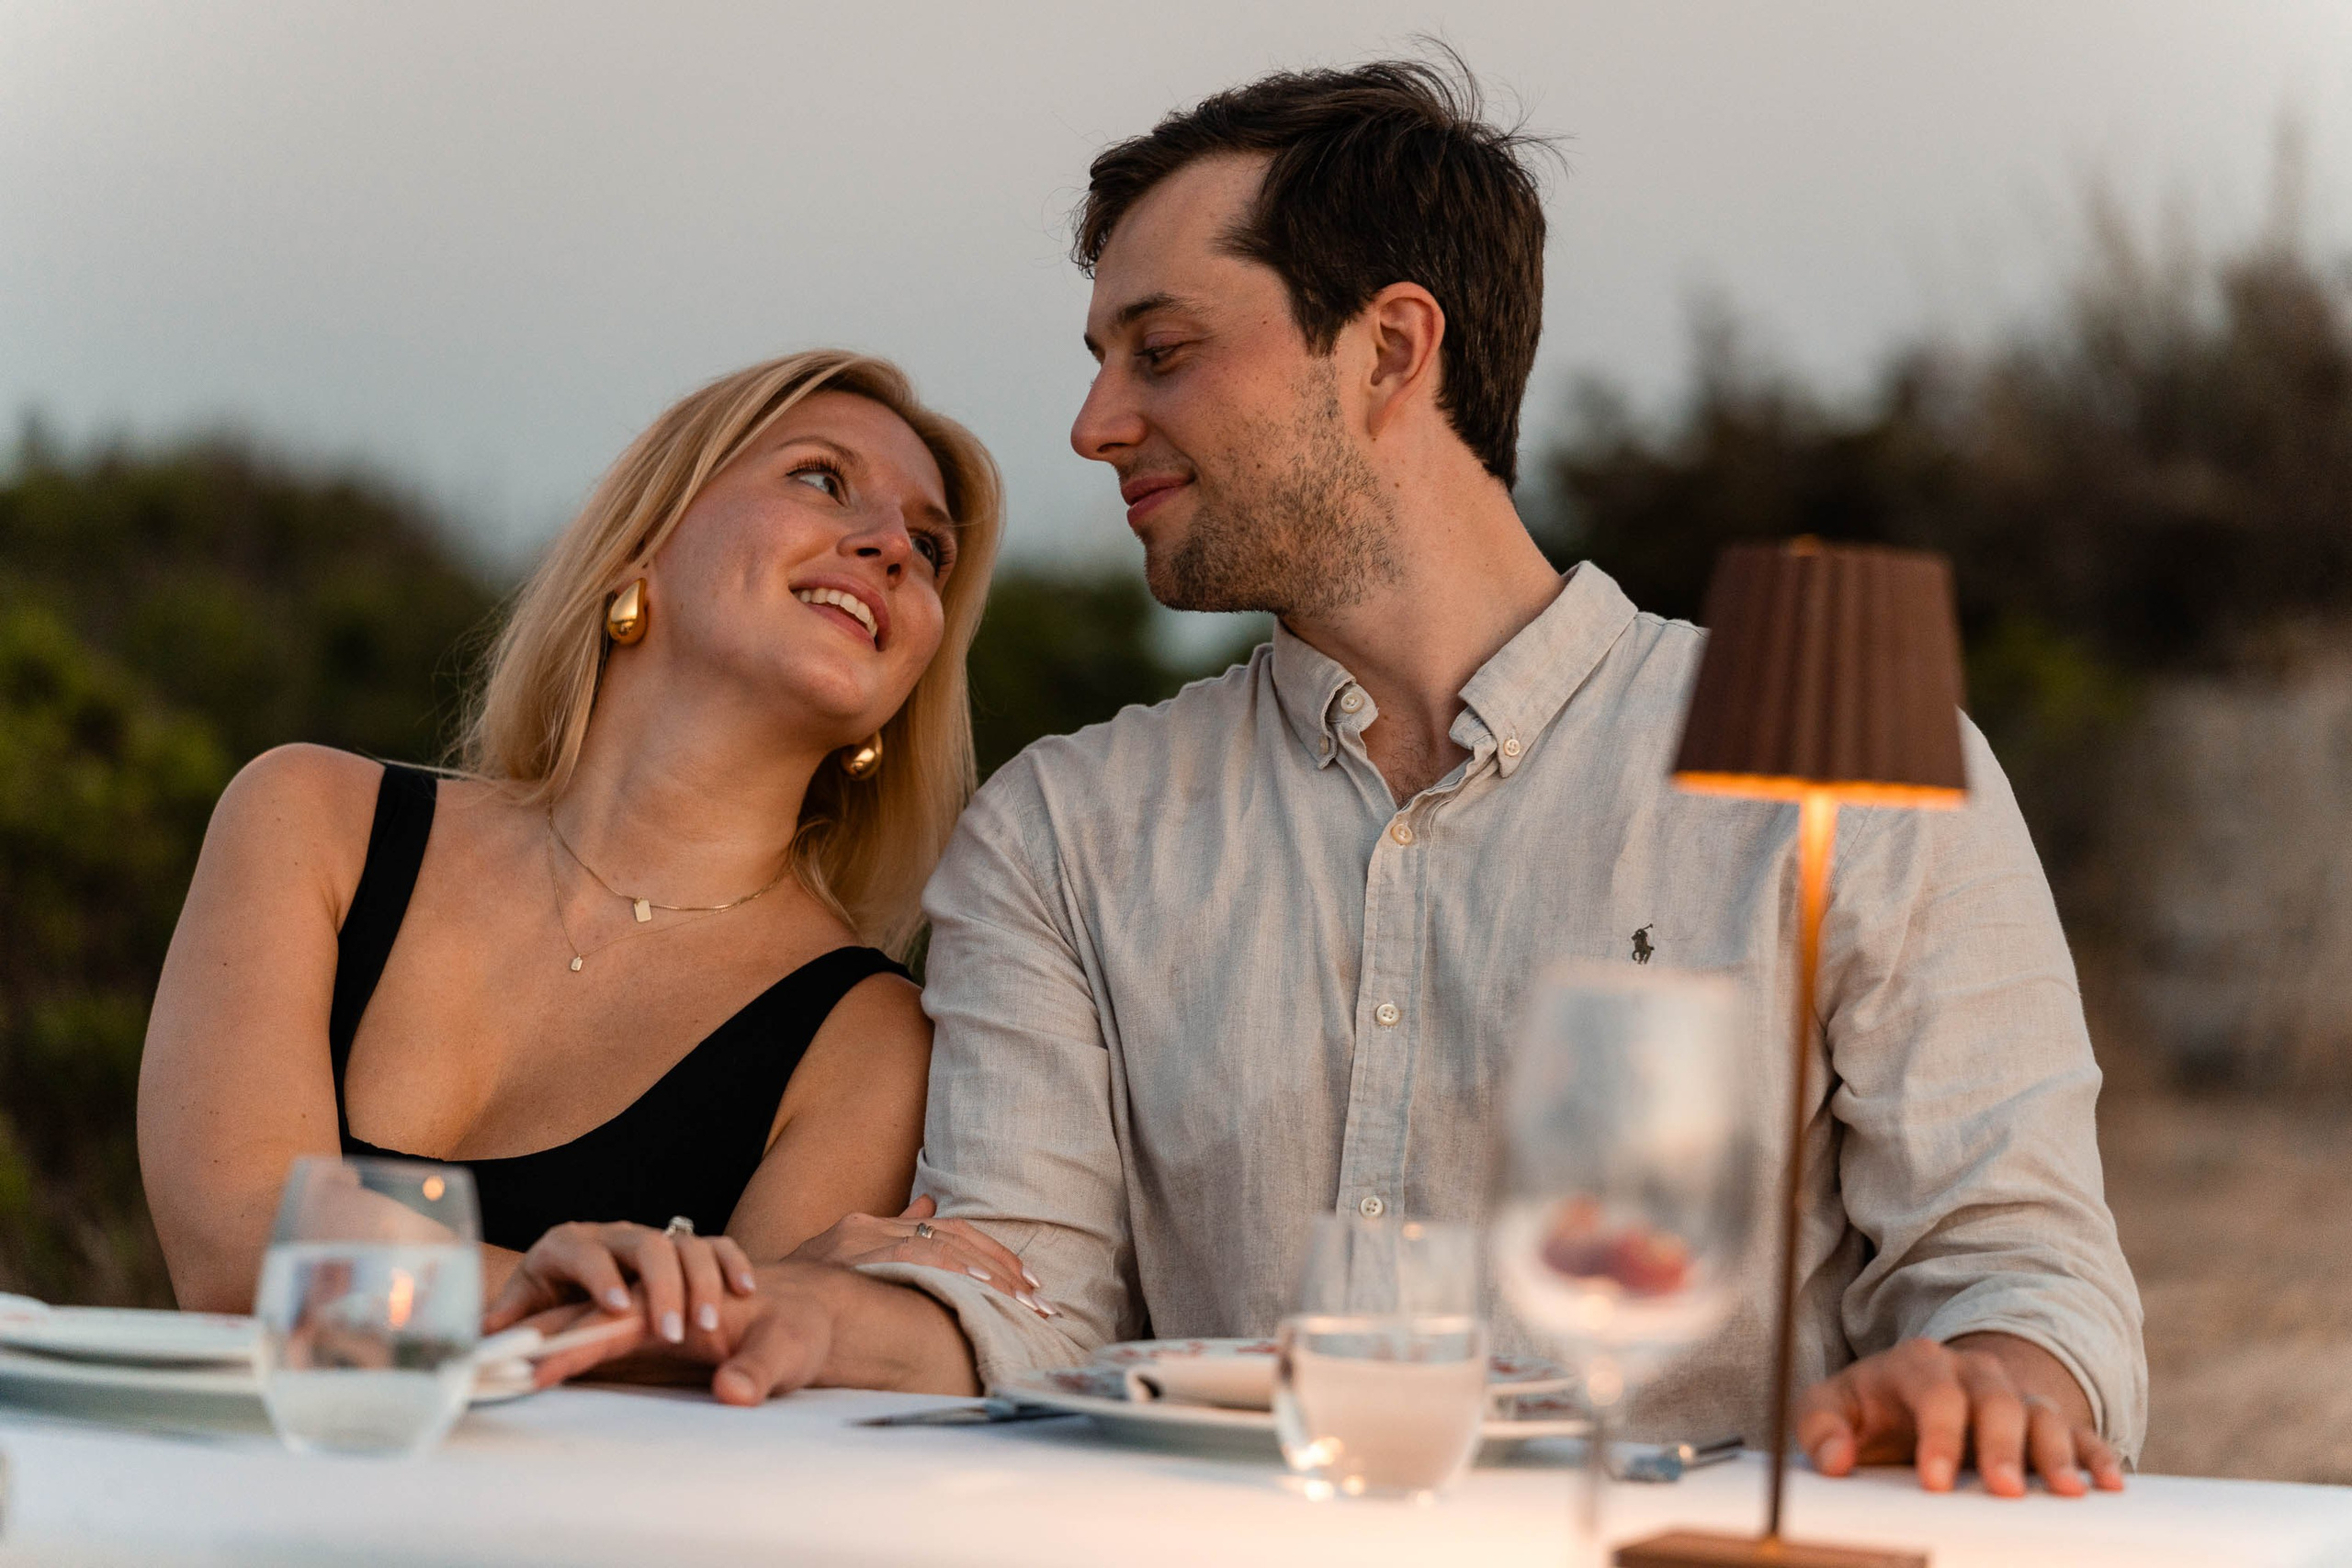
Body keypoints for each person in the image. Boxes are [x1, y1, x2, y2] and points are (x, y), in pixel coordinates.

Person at [550, 58, 2148, 1495]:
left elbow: (2020, 1264)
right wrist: (784, 1310)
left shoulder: (1853, 771)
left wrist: (2003, 1378)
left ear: (1389, 347)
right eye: (1104, 358)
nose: (1096, 423)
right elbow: (1021, 1294)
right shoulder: (1062, 829)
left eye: (1160, 351)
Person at [137, 349, 1035, 1361]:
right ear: (642, 543)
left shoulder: (869, 1040)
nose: (891, 549)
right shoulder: (311, 821)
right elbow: (234, 1250)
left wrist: (660, 1321)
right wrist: (555, 1297)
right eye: (822, 479)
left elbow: (733, 1386)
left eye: (930, 548)